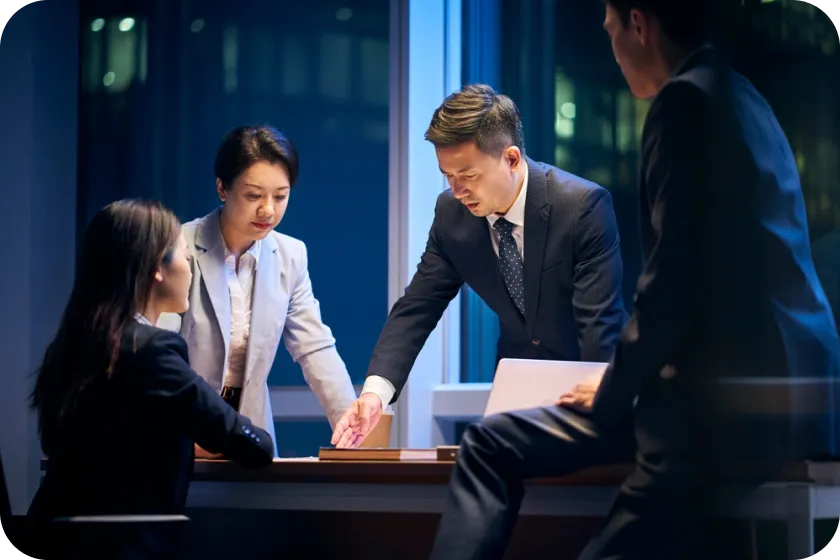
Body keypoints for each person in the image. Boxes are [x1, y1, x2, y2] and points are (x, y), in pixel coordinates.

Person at [426, 1, 840, 558]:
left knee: (487, 445)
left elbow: (671, 287)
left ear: (640, 24)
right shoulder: (738, 92)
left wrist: (617, 385)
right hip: (783, 393)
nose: (612, 50)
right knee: (493, 442)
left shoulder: (685, 102)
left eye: (610, 28)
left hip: (723, 411)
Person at [332, 84, 628, 448]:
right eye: (448, 175)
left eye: (468, 175)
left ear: (512, 159)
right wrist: (375, 393)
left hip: (590, 390)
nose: (458, 191)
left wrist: (598, 412)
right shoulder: (451, 216)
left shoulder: (581, 208)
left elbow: (599, 324)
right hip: (517, 398)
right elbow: (416, 309)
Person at [27, 199, 274, 558]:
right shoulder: (154, 350)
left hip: (48, 541)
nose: (190, 268)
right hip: (126, 549)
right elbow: (253, 445)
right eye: (182, 255)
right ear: (157, 267)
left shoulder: (68, 346)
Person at [159, 125, 357, 457]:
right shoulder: (180, 247)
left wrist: (350, 423)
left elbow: (314, 346)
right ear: (222, 188)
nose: (268, 210)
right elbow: (160, 353)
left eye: (280, 196)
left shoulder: (291, 256)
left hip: (248, 430)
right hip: (183, 429)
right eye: (254, 195)